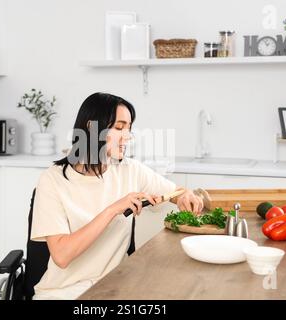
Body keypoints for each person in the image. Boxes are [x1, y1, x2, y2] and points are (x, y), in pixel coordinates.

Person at [31, 92, 203, 299]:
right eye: (119, 128)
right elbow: (62, 255)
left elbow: (177, 192)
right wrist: (113, 210)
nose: (127, 136)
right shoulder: (53, 180)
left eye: (129, 129)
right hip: (63, 293)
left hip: (115, 287)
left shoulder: (130, 169)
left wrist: (185, 195)